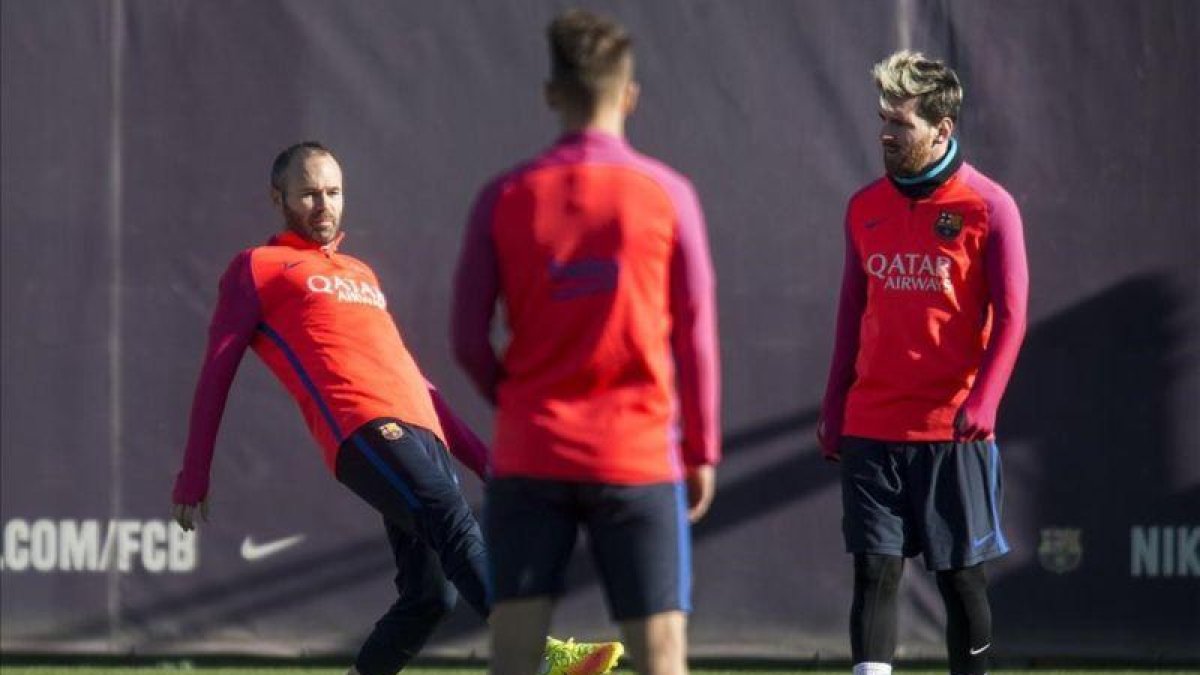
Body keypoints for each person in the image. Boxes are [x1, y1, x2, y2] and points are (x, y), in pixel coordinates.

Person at [170, 141, 620, 675]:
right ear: (278, 197)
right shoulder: (257, 268)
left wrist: (483, 460)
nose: (324, 204)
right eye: (309, 193)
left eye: (333, 192)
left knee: (430, 598)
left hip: (419, 429)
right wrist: (193, 473)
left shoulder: (360, 273)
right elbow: (216, 371)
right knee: (452, 522)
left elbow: (415, 378)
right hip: (361, 426)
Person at [451, 9, 721, 675]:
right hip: (636, 455)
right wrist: (701, 448)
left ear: (551, 94)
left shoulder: (506, 195)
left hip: (530, 449)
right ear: (629, 95)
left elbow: (465, 337)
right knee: (661, 657)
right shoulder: (669, 195)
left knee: (513, 655)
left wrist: (513, 397)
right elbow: (698, 338)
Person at [817, 50, 1029, 675]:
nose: (886, 131)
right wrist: (834, 405)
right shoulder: (864, 207)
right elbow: (850, 314)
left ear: (942, 128)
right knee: (874, 570)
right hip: (871, 424)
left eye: (900, 122)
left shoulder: (990, 208)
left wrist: (984, 403)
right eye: (883, 117)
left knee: (961, 580)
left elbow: (1014, 317)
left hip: (951, 429)